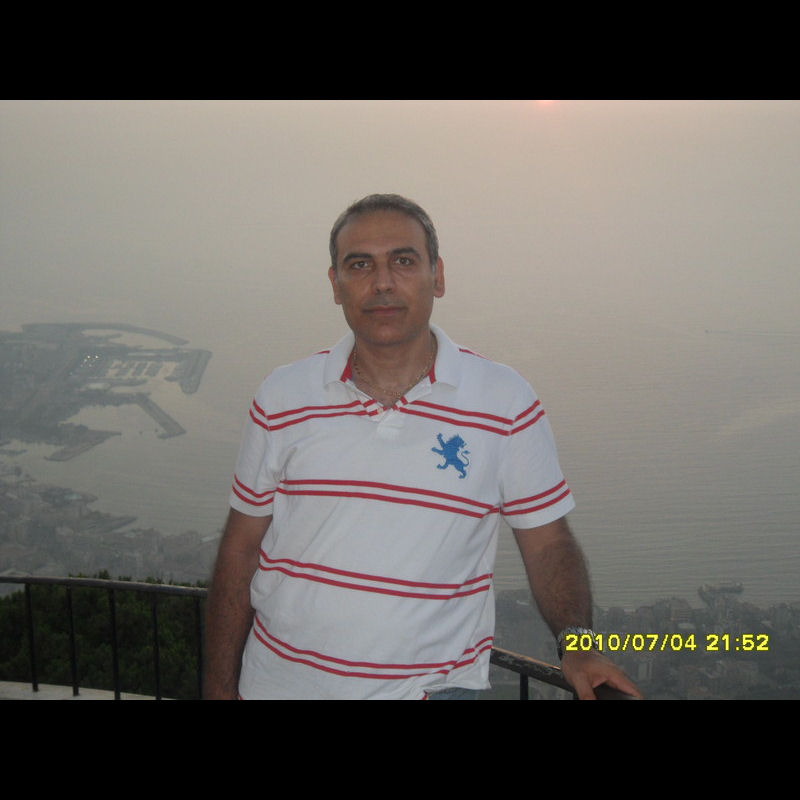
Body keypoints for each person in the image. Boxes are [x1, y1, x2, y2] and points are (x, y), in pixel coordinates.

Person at [204, 193, 642, 700]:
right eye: (360, 265)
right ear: (335, 285)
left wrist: (579, 643)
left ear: (438, 276)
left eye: (404, 261)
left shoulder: (504, 400)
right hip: (277, 687)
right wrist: (218, 688)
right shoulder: (283, 396)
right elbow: (240, 550)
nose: (383, 283)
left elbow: (547, 543)